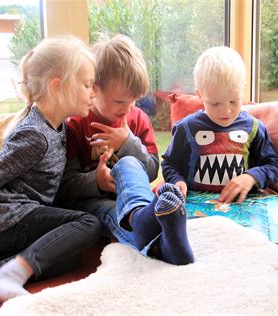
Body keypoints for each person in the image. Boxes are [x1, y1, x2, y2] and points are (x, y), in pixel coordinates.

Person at [0, 35, 102, 308]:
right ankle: (5, 274)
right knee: (88, 224)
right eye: (86, 85)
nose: (93, 92)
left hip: (18, 223)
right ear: (57, 86)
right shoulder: (34, 135)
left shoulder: (57, 127)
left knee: (69, 252)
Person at [56, 34, 193, 265]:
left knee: (128, 164)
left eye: (134, 101)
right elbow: (65, 184)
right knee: (111, 212)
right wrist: (96, 182)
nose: (129, 108)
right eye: (120, 102)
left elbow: (151, 171)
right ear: (94, 89)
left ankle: (154, 232)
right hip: (92, 202)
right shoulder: (75, 124)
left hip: (134, 197)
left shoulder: (136, 120)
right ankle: (163, 244)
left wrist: (127, 143)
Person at [161, 46, 278, 204]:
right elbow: (170, 164)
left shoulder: (254, 128)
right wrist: (177, 181)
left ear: (242, 91)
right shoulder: (186, 128)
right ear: (200, 95)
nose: (226, 111)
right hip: (195, 205)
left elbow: (273, 166)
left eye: (233, 101)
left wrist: (251, 177)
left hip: (243, 206)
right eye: (215, 103)